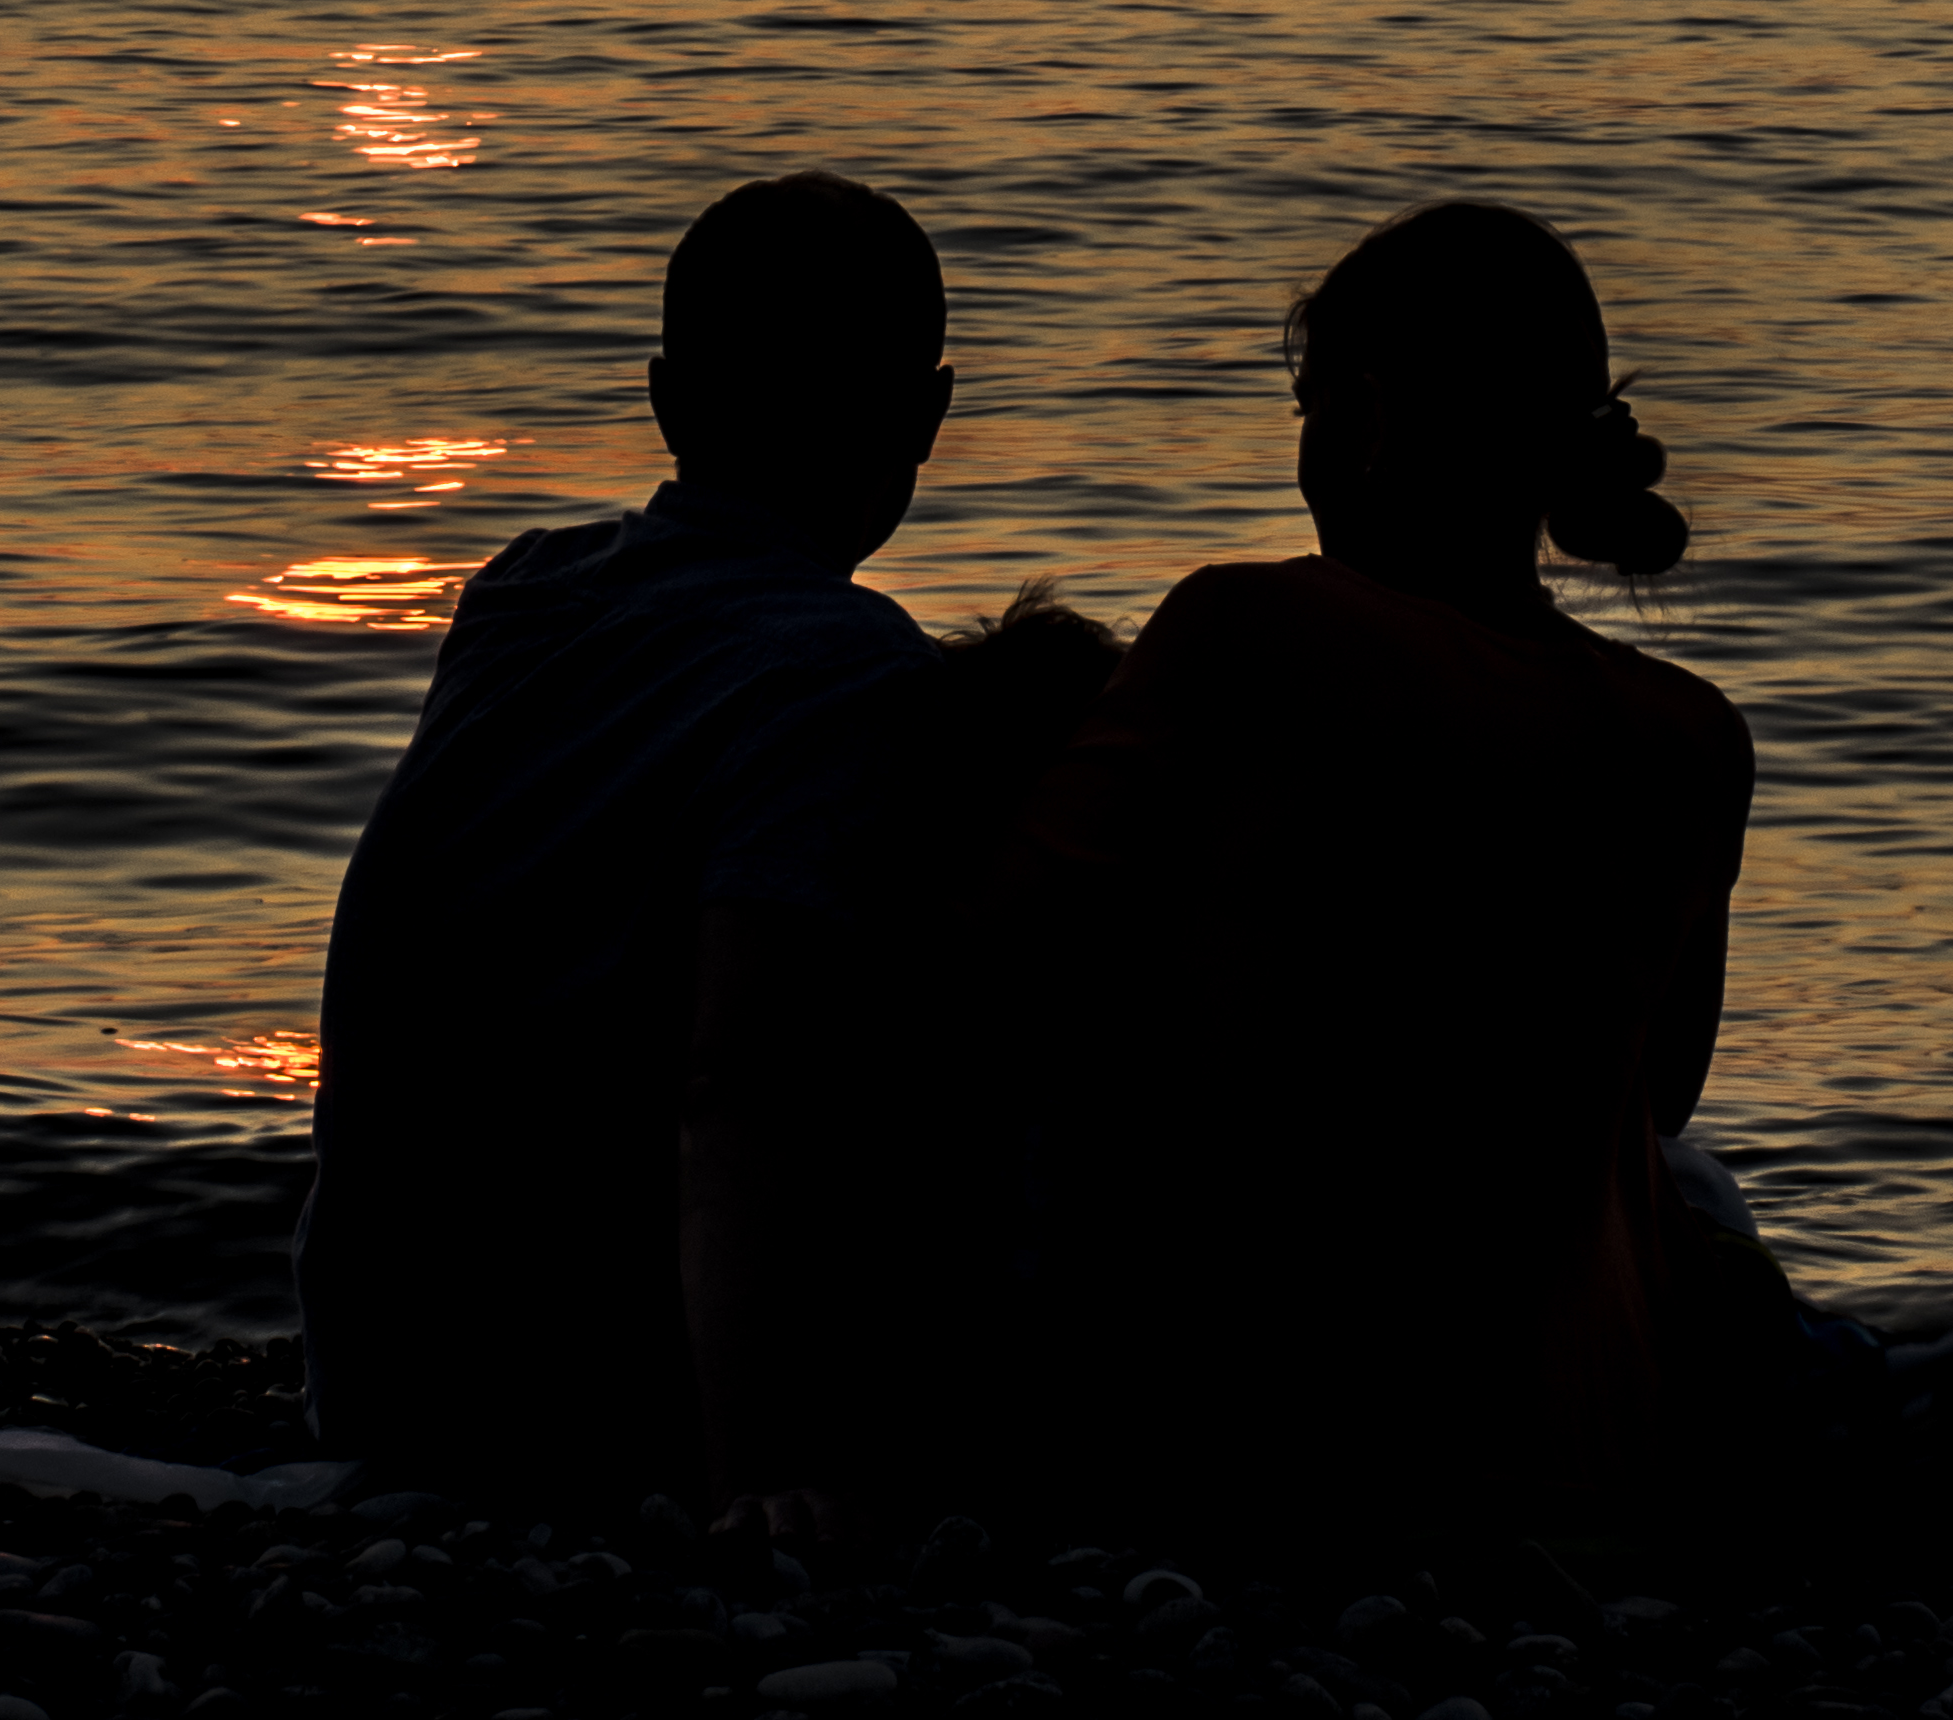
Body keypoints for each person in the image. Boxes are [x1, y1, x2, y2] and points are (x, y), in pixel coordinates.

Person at [1008, 199, 1755, 1516]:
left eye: (1305, 409)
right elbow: (1663, 1093)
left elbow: (1007, 942)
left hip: (1256, 1430)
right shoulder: (1690, 737)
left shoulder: (1247, 628)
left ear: (1363, 417)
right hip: (1590, 1450)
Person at [293, 170, 953, 1522]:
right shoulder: (849, 675)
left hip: (378, 1373)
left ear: (662, 401)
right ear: (927, 416)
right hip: (591, 1413)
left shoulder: (522, 591)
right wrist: (757, 1486)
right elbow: (741, 1079)